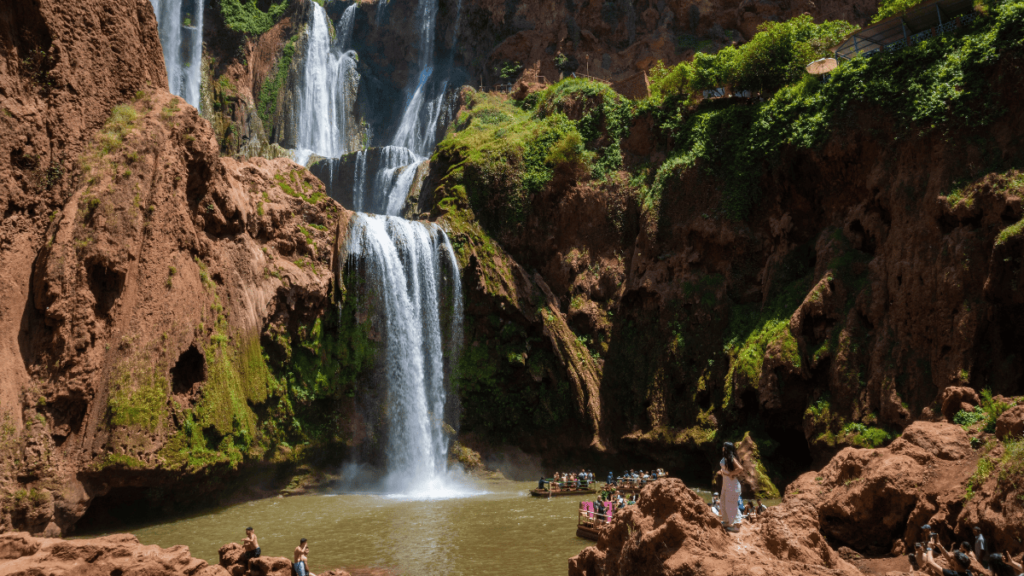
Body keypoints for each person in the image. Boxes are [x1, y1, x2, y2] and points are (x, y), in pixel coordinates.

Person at [720, 442, 743, 533]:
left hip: (732, 485)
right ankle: (726, 521)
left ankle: (737, 526)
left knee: (732, 504)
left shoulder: (732, 458)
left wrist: (731, 474)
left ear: (726, 448)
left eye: (724, 446)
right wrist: (723, 472)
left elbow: (740, 468)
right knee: (723, 502)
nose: (722, 447)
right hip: (725, 484)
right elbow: (725, 467)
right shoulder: (726, 458)